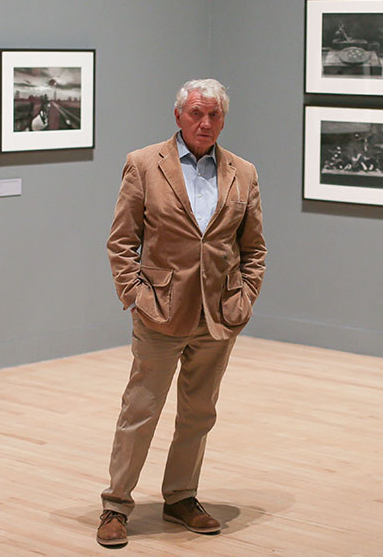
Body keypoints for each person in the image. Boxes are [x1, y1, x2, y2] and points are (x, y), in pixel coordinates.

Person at [99, 78, 266, 547]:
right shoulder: (143, 164)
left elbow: (253, 247)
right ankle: (115, 505)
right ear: (178, 116)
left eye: (214, 115)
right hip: (159, 311)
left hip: (218, 315)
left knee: (198, 413)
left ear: (223, 119)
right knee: (141, 410)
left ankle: (181, 497)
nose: (205, 122)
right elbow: (121, 240)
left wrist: (245, 295)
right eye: (196, 113)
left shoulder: (244, 173)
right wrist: (133, 292)